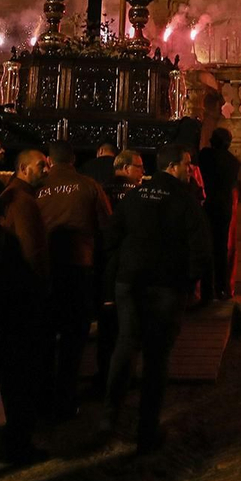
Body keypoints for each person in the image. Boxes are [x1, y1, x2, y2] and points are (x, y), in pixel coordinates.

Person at [101, 143, 209, 454]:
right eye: (187, 164)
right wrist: (189, 282)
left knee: (126, 345)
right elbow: (200, 247)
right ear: (173, 166)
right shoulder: (185, 201)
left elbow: (111, 237)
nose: (190, 170)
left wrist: (122, 268)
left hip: (130, 282)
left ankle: (109, 417)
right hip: (167, 286)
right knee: (157, 356)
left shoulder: (134, 196)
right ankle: (146, 430)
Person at [0, 148, 53, 464]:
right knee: (20, 375)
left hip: (9, 298)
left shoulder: (13, 196)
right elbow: (32, 252)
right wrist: (41, 289)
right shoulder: (22, 202)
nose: (47, 169)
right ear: (24, 168)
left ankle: (9, 439)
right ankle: (16, 444)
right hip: (21, 301)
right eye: (42, 165)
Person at [37, 140, 112, 417]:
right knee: (72, 338)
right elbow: (106, 227)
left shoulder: (37, 186)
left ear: (48, 160)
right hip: (79, 267)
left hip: (44, 268)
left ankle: (41, 395)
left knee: (44, 336)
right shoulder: (89, 186)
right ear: (74, 160)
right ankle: (65, 399)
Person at [95, 149, 146, 397]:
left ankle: (103, 374)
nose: (143, 172)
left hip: (101, 266)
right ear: (125, 168)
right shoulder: (137, 197)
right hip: (126, 268)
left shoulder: (100, 190)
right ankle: (122, 378)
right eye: (139, 167)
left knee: (106, 326)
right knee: (126, 327)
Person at [198, 127, 241, 301]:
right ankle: (222, 288)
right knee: (221, 247)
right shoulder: (233, 161)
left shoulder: (206, 156)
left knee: (207, 246)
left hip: (207, 204)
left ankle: (207, 289)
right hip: (225, 206)